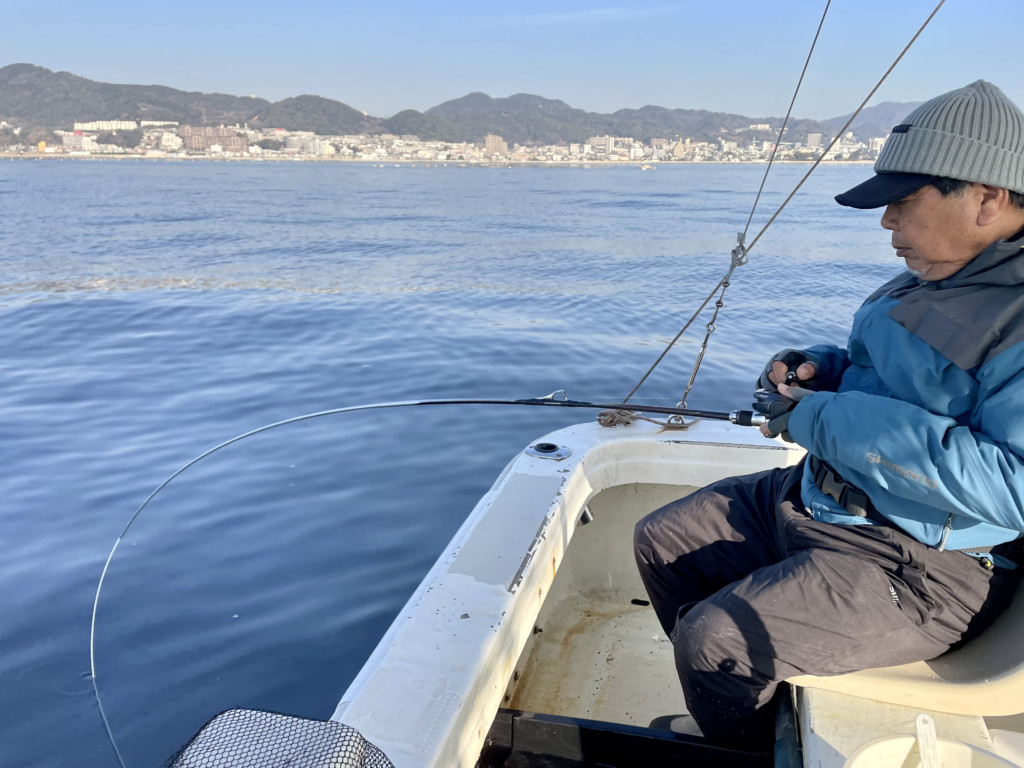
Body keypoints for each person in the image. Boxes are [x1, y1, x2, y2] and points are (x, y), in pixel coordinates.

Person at [634, 79, 1024, 747]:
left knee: (714, 642)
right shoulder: (934, 272)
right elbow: (888, 377)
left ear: (986, 198)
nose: (886, 222)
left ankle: (743, 747)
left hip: (925, 565)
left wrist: (821, 418)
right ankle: (741, 712)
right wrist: (816, 370)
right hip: (826, 499)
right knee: (664, 541)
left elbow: (1012, 487)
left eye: (903, 201)